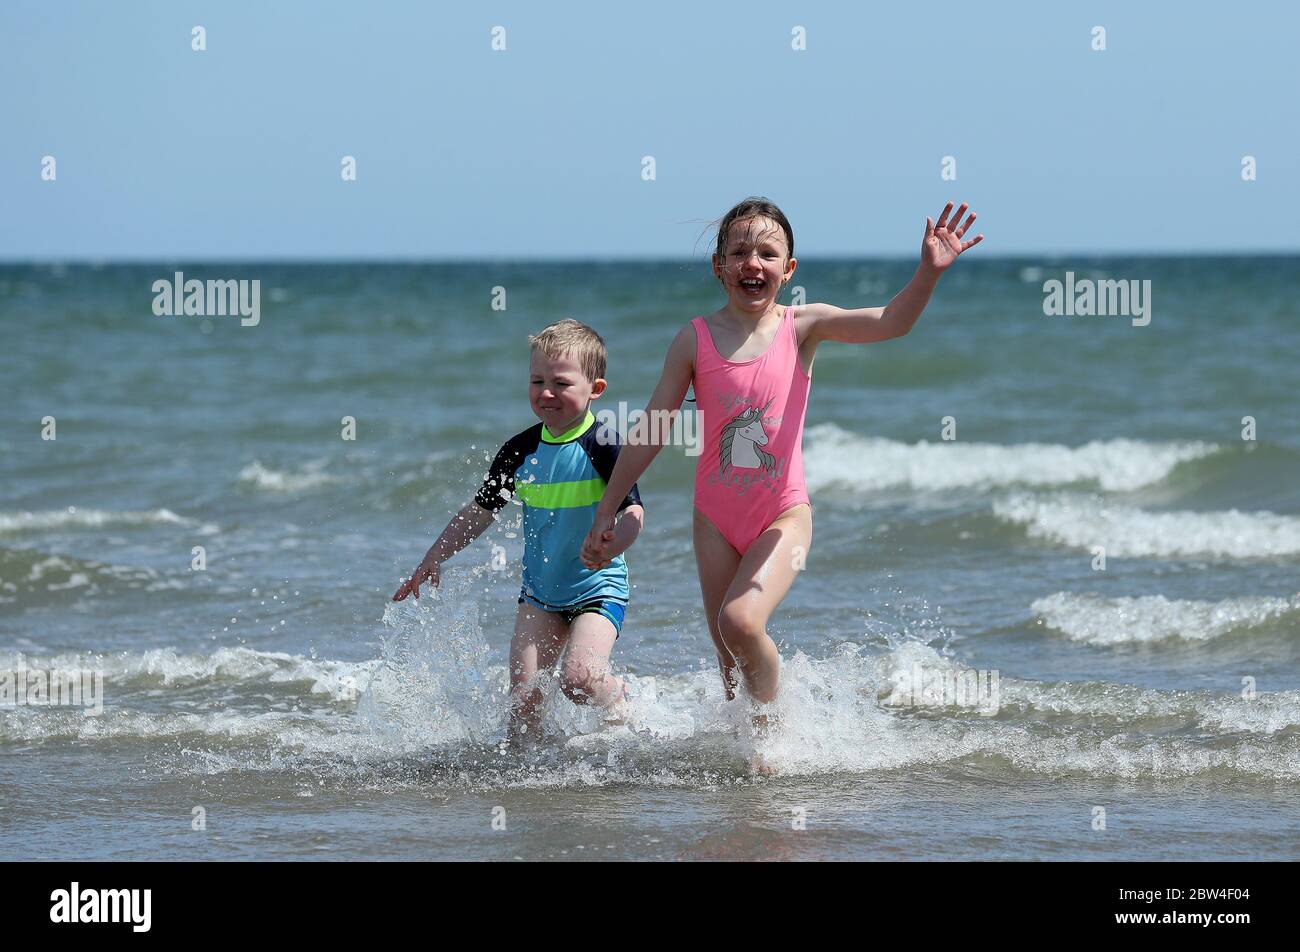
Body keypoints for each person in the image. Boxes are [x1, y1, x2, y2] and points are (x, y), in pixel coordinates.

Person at [581, 196, 982, 712]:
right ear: (719, 266)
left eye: (768, 254)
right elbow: (653, 428)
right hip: (714, 519)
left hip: (783, 515)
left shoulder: (802, 327)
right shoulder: (694, 339)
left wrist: (928, 272)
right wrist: (609, 505)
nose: (754, 262)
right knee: (729, 662)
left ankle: (779, 735)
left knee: (740, 622)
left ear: (788, 270)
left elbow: (889, 321)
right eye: (740, 252)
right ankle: (742, 771)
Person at [394, 319, 645, 743]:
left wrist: (615, 542)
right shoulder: (519, 450)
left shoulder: (605, 444)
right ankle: (533, 792)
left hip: (599, 586)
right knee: (523, 704)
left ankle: (618, 697)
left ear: (595, 389)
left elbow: (634, 511)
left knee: (578, 679)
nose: (546, 393)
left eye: (561, 383)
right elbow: (480, 511)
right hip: (540, 594)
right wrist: (433, 556)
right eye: (537, 381)